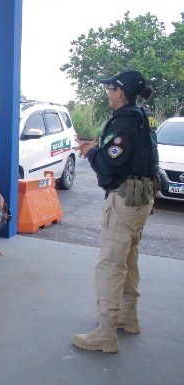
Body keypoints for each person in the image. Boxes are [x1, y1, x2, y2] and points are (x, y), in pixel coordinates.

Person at [72, 70, 157, 354]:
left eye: (110, 88)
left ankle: (106, 333)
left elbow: (111, 164)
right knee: (128, 258)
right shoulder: (141, 117)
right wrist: (98, 148)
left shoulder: (124, 121)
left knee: (110, 264)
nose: (107, 92)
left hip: (124, 201)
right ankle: (128, 317)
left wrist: (92, 152)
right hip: (141, 199)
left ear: (120, 92)